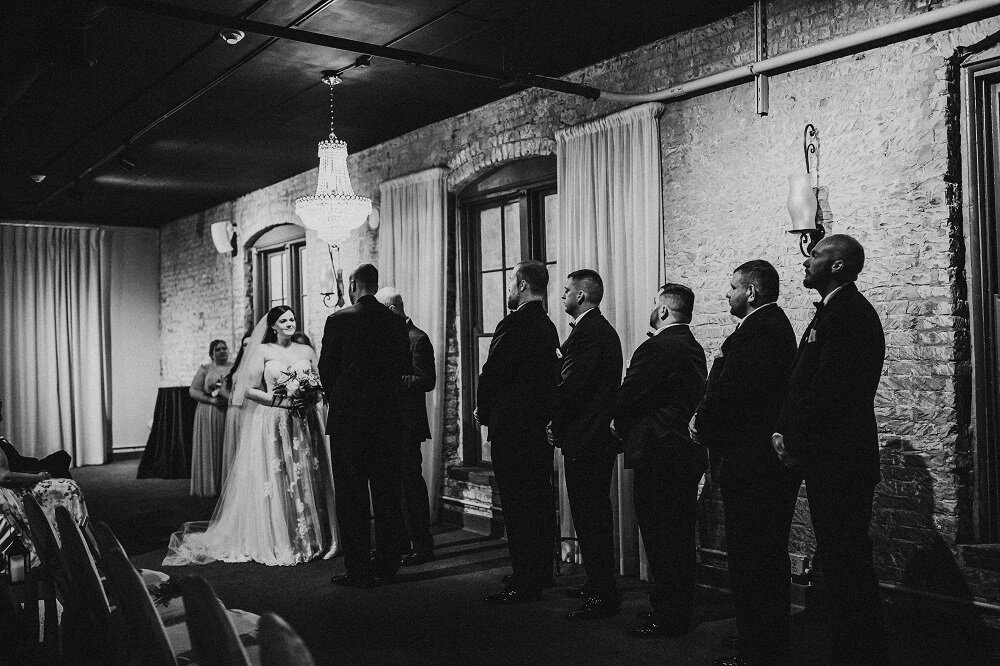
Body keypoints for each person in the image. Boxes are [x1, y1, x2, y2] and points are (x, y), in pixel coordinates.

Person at [772, 235, 886, 663]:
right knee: (840, 559)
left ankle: (859, 652)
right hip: (832, 457)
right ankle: (853, 648)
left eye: (815, 254)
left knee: (847, 560)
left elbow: (831, 391)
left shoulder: (849, 313)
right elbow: (805, 382)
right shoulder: (834, 310)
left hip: (841, 459)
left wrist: (793, 438)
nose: (806, 259)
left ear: (837, 265)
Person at [162, 306, 338, 566]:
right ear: (273, 326)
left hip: (305, 421)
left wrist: (311, 394)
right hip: (275, 420)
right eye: (283, 320)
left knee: (306, 474)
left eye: (292, 319)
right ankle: (283, 536)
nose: (289, 323)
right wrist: (281, 401)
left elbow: (320, 382)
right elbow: (249, 389)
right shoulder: (263, 351)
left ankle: (315, 536)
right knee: (280, 476)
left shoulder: (306, 351)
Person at [690, 261, 799, 666]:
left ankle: (762, 648)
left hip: (753, 465)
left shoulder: (760, 332)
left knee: (754, 560)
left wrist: (702, 422)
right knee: (759, 557)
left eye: (733, 287)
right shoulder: (765, 327)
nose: (727, 294)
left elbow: (733, 393)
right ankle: (758, 637)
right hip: (756, 463)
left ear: (751, 291)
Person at [613, 283, 707, 638]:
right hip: (683, 450)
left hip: (657, 451)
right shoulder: (692, 346)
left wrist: (615, 420)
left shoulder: (657, 346)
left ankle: (667, 614)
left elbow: (630, 394)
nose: (652, 308)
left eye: (655, 304)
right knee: (679, 537)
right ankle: (678, 608)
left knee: (660, 537)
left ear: (665, 311)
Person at [319, 264, 410, 588]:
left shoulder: (339, 320)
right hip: (387, 418)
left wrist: (341, 395)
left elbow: (326, 370)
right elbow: (403, 365)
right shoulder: (395, 322)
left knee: (351, 495)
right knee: (387, 493)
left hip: (349, 421)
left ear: (354, 284)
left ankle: (358, 568)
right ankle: (388, 565)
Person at [477, 260, 560, 605]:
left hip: (512, 428)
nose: (509, 288)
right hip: (538, 428)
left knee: (516, 504)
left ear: (523, 284)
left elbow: (492, 370)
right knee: (539, 500)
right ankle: (539, 572)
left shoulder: (513, 323)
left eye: (512, 281)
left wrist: (483, 408)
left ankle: (524, 581)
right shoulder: (548, 326)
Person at [547, 269, 623, 620]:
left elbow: (572, 387)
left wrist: (555, 425)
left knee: (590, 516)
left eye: (566, 291)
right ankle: (597, 583)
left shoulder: (590, 333)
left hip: (587, 439)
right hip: (591, 437)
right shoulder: (596, 331)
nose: (562, 296)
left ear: (581, 296)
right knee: (591, 515)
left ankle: (603, 595)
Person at [375, 287, 437, 567]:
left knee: (411, 485)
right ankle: (398, 543)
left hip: (408, 423)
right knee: (392, 488)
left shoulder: (418, 338)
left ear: (389, 309)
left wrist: (391, 379)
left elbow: (426, 380)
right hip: (388, 422)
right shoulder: (387, 337)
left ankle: (422, 546)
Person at [0, 399, 89, 563]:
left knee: (61, 460)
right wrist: (39, 477)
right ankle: (77, 541)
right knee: (69, 486)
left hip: (23, 474)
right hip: (14, 490)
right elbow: (5, 476)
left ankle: (75, 539)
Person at [189, 339, 231, 497]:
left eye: (224, 348)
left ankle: (227, 485)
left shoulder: (235, 367)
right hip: (209, 412)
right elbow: (193, 390)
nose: (222, 351)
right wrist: (212, 399)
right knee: (211, 446)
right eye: (218, 349)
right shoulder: (205, 369)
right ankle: (211, 485)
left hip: (229, 411)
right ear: (212, 353)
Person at [220, 332, 251, 489]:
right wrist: (230, 398)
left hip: (249, 410)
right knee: (234, 447)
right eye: (245, 344)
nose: (248, 347)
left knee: (246, 448)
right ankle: (233, 487)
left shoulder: (258, 362)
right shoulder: (237, 365)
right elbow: (225, 389)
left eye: (251, 344)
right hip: (234, 410)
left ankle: (246, 485)